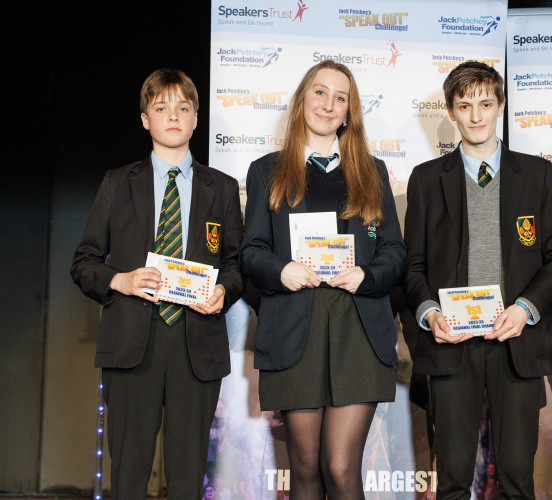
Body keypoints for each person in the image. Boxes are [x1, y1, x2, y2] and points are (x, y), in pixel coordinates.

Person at [70, 68, 244, 499]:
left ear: (196, 118)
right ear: (145, 118)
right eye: (161, 107)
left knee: (188, 480)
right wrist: (121, 281)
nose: (173, 116)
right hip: (133, 345)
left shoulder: (221, 188)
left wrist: (224, 291)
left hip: (196, 347)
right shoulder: (117, 183)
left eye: (183, 108)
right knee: (129, 476)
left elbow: (237, 264)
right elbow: (84, 263)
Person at [240, 60, 406, 499]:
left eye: (340, 97)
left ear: (349, 111)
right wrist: (282, 270)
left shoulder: (372, 170)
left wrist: (367, 276)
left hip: (359, 330)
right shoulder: (266, 170)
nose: (328, 104)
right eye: (320, 92)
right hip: (295, 327)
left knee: (340, 466)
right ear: (302, 100)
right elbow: (251, 252)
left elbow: (394, 253)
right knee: (307, 468)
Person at [402, 61, 552, 499]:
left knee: (516, 477)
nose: (476, 115)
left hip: (517, 341)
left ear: (501, 106)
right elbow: (412, 267)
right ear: (451, 111)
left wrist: (526, 309)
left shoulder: (537, 175)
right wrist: (429, 313)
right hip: (450, 344)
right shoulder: (424, 180)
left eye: (485, 104)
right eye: (464, 105)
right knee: (453, 477)